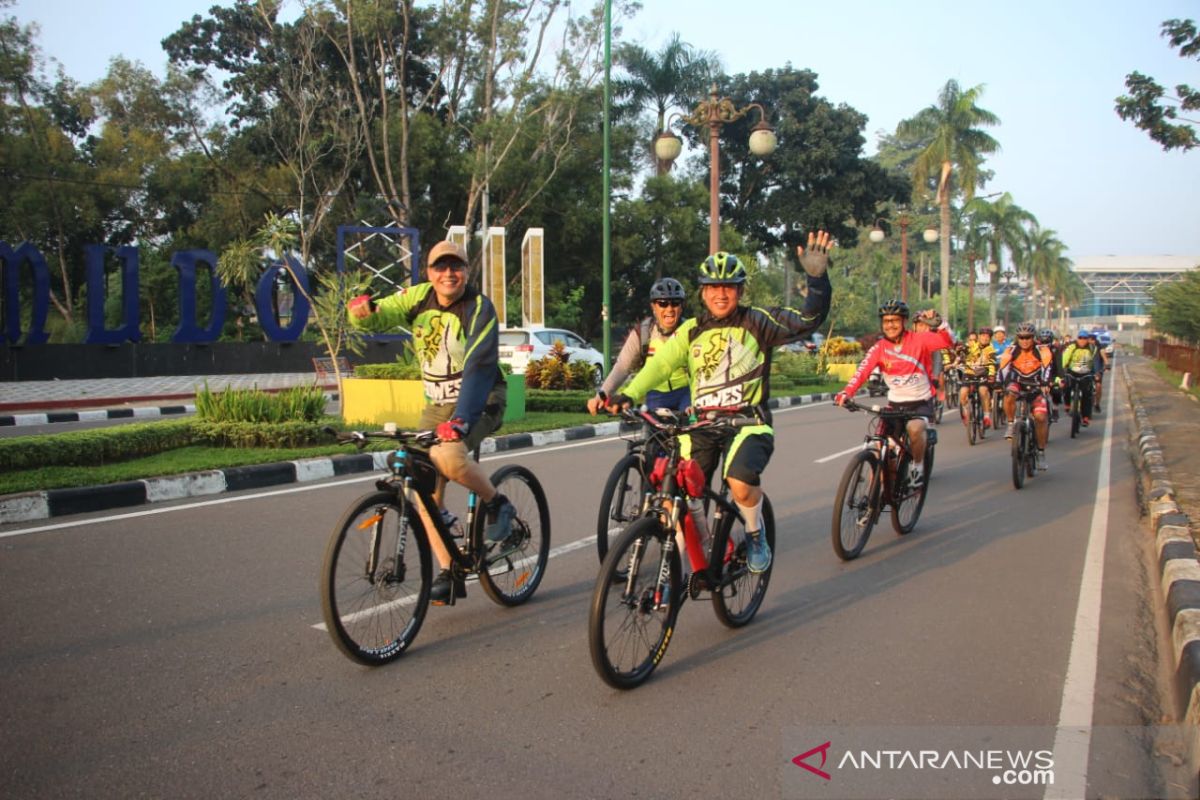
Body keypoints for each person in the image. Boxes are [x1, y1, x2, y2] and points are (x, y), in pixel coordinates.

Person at [606, 233, 835, 575]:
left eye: (729, 286)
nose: (720, 293)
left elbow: (807, 321)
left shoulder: (758, 321)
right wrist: (627, 393)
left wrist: (817, 281)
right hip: (702, 425)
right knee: (677, 496)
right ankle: (694, 558)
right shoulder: (692, 331)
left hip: (749, 424)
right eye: (713, 287)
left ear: (740, 291)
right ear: (702, 292)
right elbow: (660, 366)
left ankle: (755, 534)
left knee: (740, 482)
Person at [347, 240, 516, 604]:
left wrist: (460, 421)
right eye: (441, 267)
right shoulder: (417, 297)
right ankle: (449, 570)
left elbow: (479, 367)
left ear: (466, 271)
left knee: (449, 458)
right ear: (429, 273)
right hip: (437, 406)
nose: (448, 274)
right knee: (422, 486)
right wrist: (361, 310)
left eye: (456, 267)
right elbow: (380, 312)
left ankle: (498, 503)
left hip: (482, 397)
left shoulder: (479, 308)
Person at [835, 301, 955, 490]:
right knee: (879, 450)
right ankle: (878, 498)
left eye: (895, 321)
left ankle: (917, 465)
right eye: (886, 321)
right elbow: (862, 372)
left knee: (915, 429)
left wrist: (940, 324)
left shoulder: (920, 340)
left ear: (904, 321)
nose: (890, 325)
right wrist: (846, 392)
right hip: (895, 405)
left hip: (920, 404)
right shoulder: (879, 347)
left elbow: (948, 342)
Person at [587, 277, 690, 415]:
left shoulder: (691, 331)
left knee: (691, 428)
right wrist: (601, 395)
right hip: (656, 394)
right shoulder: (643, 333)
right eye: (663, 303)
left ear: (682, 306)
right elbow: (622, 367)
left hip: (686, 393)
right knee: (653, 434)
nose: (669, 309)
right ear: (653, 306)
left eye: (675, 303)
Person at [997, 321, 1053, 470]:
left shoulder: (1042, 350)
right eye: (1021, 337)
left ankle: (1041, 452)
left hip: (1036, 386)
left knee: (1041, 418)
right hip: (1018, 383)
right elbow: (1002, 368)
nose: (1025, 340)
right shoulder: (1011, 350)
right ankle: (1010, 424)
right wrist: (998, 383)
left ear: (1033, 337)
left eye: (1028, 337)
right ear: (1017, 338)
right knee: (1009, 394)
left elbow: (1047, 368)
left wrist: (1046, 382)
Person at [959, 326, 996, 428]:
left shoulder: (990, 349)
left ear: (990, 338)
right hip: (969, 372)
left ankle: (986, 416)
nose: (985, 338)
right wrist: (961, 350)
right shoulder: (972, 345)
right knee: (963, 393)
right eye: (983, 335)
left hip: (983, 374)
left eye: (987, 336)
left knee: (983, 390)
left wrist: (991, 375)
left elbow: (992, 363)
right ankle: (967, 412)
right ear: (979, 336)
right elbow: (965, 351)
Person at [1061, 328, 1098, 426]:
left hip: (1086, 373)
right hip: (1072, 372)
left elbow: (1095, 361)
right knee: (1066, 387)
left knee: (1087, 394)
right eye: (1080, 338)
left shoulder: (1092, 348)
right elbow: (1064, 359)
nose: (1082, 340)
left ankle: (1085, 417)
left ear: (1087, 339)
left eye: (1084, 338)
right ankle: (1067, 404)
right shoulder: (1072, 347)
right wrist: (1062, 370)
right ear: (1077, 338)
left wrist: (1096, 372)